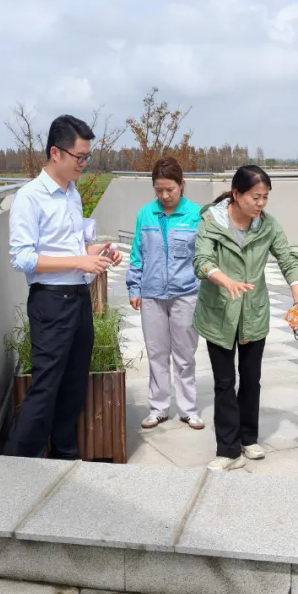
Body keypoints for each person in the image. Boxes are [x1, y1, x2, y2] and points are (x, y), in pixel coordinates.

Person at [6, 114, 122, 459]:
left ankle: (65, 457)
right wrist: (78, 262)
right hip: (51, 302)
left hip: (78, 298)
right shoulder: (30, 197)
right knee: (45, 388)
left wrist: (94, 254)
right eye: (79, 157)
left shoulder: (71, 194)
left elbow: (69, 249)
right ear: (56, 153)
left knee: (73, 386)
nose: (83, 165)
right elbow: (23, 258)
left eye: (87, 158)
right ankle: (14, 466)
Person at [193, 166, 298, 471]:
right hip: (219, 314)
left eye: (265, 198)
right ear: (236, 194)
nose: (260, 204)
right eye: (255, 197)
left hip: (253, 314)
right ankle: (228, 451)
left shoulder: (268, 226)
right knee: (224, 383)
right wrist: (224, 280)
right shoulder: (211, 222)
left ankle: (248, 437)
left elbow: (288, 259)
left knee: (251, 380)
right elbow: (200, 260)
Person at [126, 157, 204, 430]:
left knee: (185, 354)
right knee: (157, 352)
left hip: (186, 293)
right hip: (152, 293)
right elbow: (137, 253)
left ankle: (188, 409)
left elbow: (204, 256)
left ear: (182, 185)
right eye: (158, 190)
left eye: (170, 189)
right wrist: (134, 286)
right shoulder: (145, 214)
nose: (165, 195)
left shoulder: (196, 214)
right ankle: (158, 408)